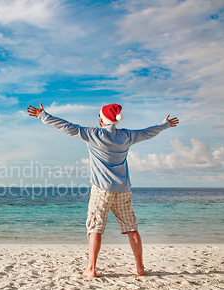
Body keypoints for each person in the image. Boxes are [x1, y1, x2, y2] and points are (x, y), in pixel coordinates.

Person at [26, 103, 179, 277]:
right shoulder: (127, 136)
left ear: (101, 119)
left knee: (95, 228)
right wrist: (165, 124)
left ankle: (91, 269)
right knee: (131, 228)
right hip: (123, 189)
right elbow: (148, 132)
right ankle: (139, 268)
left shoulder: (93, 134)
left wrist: (43, 116)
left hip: (101, 189)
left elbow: (67, 127)